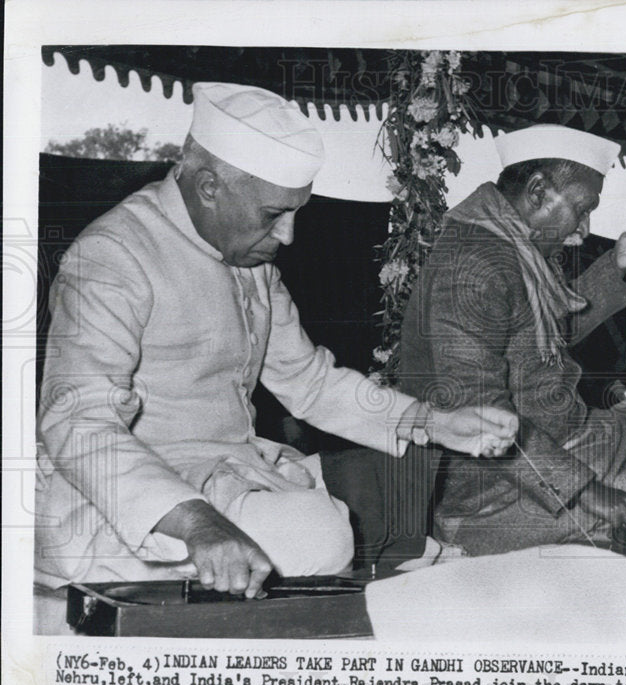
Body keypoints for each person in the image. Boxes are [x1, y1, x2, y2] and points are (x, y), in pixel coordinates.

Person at [35, 82, 516, 599]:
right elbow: (77, 422)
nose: (288, 236)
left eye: (295, 213)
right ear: (209, 186)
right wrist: (198, 524)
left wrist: (435, 422)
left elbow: (309, 382)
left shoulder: (250, 262)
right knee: (320, 533)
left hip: (227, 473)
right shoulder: (112, 255)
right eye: (272, 215)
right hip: (127, 494)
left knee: (380, 484)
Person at [397, 124, 626, 555]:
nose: (584, 227)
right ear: (539, 191)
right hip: (489, 492)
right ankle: (498, 547)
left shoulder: (511, 246)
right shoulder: (473, 265)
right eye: (581, 209)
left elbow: (545, 340)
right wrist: (587, 493)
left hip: (558, 445)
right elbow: (476, 408)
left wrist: (614, 265)